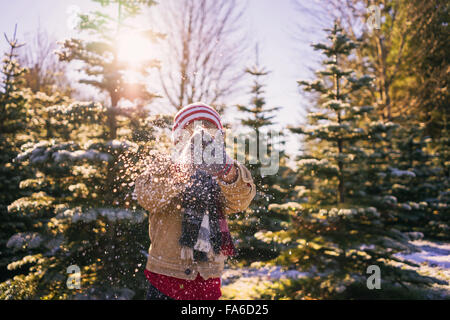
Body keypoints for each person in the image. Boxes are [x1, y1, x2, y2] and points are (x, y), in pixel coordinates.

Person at [134, 102, 256, 300]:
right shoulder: (164, 166)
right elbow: (148, 197)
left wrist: (226, 170)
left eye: (209, 131)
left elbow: (241, 200)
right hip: (166, 279)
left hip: (208, 281)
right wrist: (180, 170)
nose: (200, 139)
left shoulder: (225, 169)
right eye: (191, 131)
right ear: (178, 139)